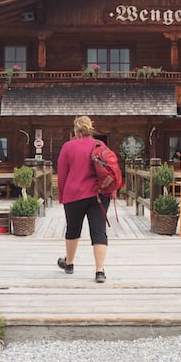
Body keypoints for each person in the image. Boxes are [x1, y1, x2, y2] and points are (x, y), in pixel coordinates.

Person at [56, 115, 109, 283]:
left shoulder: (68, 147)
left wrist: (62, 195)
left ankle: (69, 263)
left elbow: (62, 174)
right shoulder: (100, 145)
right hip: (99, 195)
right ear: (90, 128)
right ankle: (99, 271)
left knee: (73, 229)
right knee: (99, 231)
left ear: (75, 129)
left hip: (74, 194)